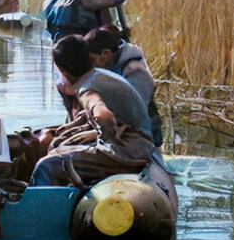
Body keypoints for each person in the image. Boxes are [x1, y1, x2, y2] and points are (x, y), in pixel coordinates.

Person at [30, 35, 156, 187]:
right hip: (139, 142)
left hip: (130, 150)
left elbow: (102, 114)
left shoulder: (87, 90)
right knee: (58, 145)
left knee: (47, 165)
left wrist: (103, 146)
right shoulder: (98, 75)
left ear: (64, 70)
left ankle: (38, 208)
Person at [86, 26, 163, 146]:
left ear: (105, 53)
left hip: (144, 131)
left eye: (92, 61)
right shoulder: (111, 62)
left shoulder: (133, 69)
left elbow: (138, 109)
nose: (92, 66)